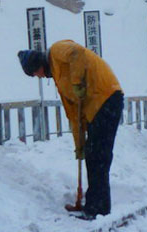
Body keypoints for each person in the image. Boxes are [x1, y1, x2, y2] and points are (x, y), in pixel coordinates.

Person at [17, 40, 123, 221]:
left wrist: (77, 83)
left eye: (34, 73)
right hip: (96, 107)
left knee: (99, 157)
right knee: (93, 156)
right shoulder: (59, 78)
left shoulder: (57, 51)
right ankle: (95, 207)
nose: (38, 77)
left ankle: (98, 209)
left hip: (106, 98)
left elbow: (77, 53)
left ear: (38, 65)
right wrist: (79, 144)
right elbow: (74, 116)